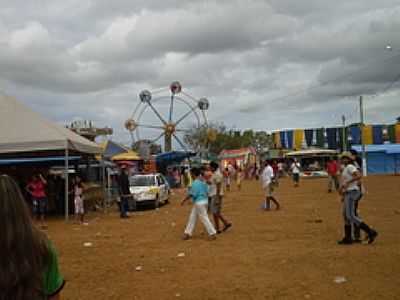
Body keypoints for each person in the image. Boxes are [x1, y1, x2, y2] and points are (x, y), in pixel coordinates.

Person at [0, 175, 65, 299]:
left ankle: (43, 221)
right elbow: (53, 295)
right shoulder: (42, 245)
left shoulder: (39, 183)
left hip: (39, 198)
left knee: (41, 211)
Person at [337, 152, 378, 245]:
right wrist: (343, 191)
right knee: (345, 215)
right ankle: (348, 237)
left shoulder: (350, 167)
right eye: (342, 158)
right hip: (348, 193)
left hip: (352, 192)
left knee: (350, 215)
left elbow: (358, 175)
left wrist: (347, 183)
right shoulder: (345, 168)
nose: (342, 160)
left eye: (344, 158)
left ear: (348, 159)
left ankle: (370, 232)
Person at [181, 168, 217, 241]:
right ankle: (187, 233)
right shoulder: (203, 181)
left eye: (191, 174)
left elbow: (191, 194)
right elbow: (208, 189)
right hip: (204, 201)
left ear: (193, 174)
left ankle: (212, 233)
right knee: (192, 217)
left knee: (204, 218)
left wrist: (183, 200)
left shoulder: (195, 183)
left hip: (199, 202)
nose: (190, 175)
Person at [209, 162, 232, 234]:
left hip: (216, 194)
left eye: (210, 167)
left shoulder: (217, 174)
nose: (209, 168)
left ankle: (219, 227)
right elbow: (214, 183)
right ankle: (225, 223)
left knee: (215, 212)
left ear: (213, 167)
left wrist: (217, 197)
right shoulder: (215, 174)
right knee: (216, 212)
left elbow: (218, 186)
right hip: (215, 194)